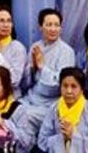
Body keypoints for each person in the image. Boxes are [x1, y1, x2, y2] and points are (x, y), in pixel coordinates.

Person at [18, 8, 78, 143]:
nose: (53, 29)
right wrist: (32, 68)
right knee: (12, 112)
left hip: (50, 104)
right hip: (30, 98)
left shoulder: (66, 51)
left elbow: (60, 86)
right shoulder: (35, 46)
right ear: (40, 27)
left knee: (25, 117)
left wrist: (42, 67)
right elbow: (25, 83)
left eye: (57, 25)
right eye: (49, 25)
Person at [37, 67, 88, 153]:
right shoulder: (54, 109)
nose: (69, 91)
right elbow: (42, 141)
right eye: (65, 86)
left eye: (74, 86)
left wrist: (74, 136)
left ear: (82, 90)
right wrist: (61, 138)